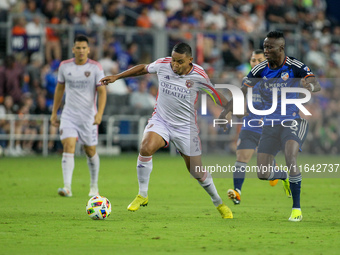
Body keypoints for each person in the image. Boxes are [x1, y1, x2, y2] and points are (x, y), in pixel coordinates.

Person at [100, 42, 233, 219]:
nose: (175, 65)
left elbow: (215, 95)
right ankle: (143, 195)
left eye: (179, 62)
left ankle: (219, 203)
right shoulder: (163, 64)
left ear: (190, 60)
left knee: (197, 172)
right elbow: (143, 69)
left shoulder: (199, 75)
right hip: (161, 120)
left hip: (185, 128)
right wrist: (117, 76)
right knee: (146, 147)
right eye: (173, 61)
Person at [220, 31, 321, 221]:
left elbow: (315, 83)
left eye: (269, 47)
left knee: (291, 157)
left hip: (292, 121)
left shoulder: (294, 65)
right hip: (269, 125)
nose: (266, 50)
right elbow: (242, 92)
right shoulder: (259, 70)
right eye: (264, 46)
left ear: (281, 48)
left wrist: (310, 86)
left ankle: (296, 210)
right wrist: (226, 111)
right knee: (263, 173)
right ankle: (284, 177)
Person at [50, 34, 107, 197]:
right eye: (78, 48)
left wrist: (99, 114)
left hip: (88, 116)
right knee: (68, 146)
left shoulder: (96, 68)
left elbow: (102, 91)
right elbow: (59, 89)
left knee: (89, 151)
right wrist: (54, 112)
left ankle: (94, 186)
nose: (81, 51)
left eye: (84, 48)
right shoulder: (64, 67)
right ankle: (67, 187)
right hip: (69, 115)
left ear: (88, 50)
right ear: (73, 49)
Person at [227, 49, 279, 205]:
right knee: (241, 159)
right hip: (249, 127)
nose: (255, 63)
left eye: (259, 60)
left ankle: (278, 173)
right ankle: (237, 192)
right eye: (253, 60)